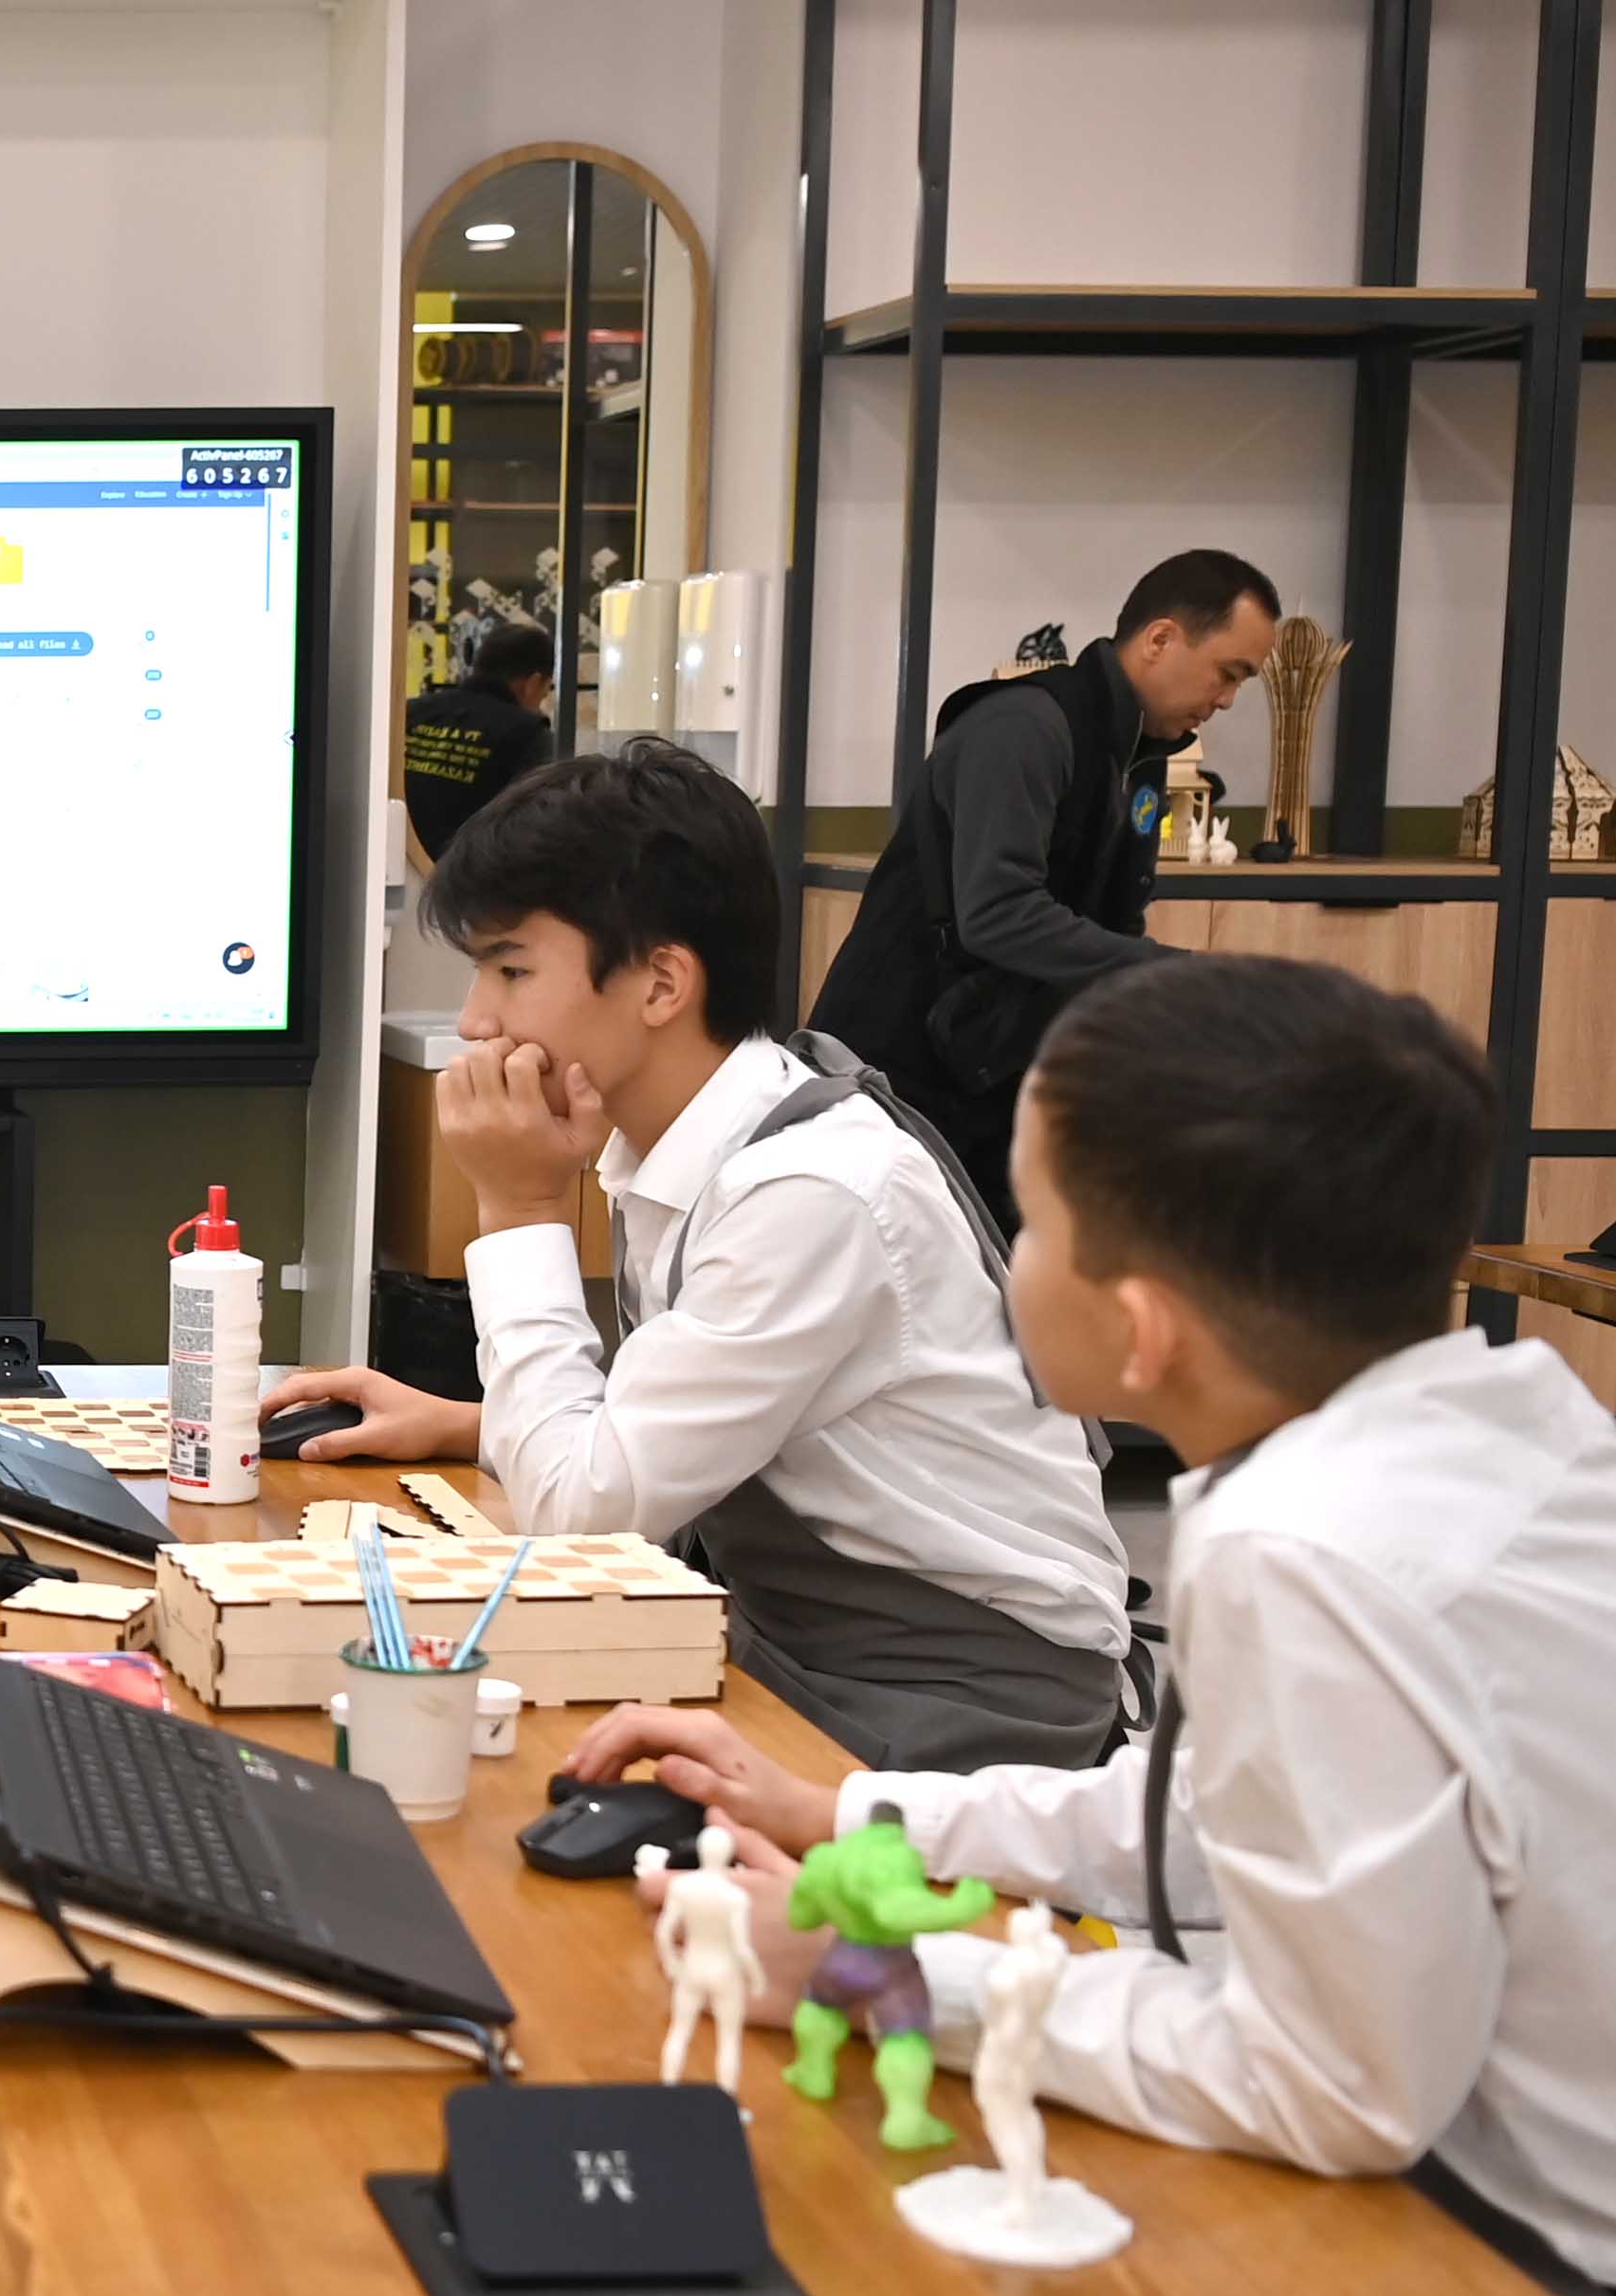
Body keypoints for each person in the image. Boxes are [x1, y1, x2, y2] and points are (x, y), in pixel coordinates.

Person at [576, 952, 1616, 2296]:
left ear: (1138, 1327)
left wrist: (864, 1963)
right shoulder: (1479, 1429)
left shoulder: (1308, 1548)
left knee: (904, 2221)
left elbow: (1328, 2089)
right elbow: (1206, 1807)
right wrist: (853, 1813)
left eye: (1029, 1221)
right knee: (1046, 2076)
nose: (1003, 1259)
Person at [269, 743, 1133, 1774]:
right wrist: (470, 1421)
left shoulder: (807, 1190)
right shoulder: (697, 1136)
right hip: (806, 1636)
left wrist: (517, 1208)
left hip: (960, 1697)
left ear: (661, 983)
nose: (473, 1020)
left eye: (510, 970)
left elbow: (581, 1516)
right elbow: (677, 1427)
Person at [807, 548, 1282, 1228]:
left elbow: (1114, 930)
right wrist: (1174, 971)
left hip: (997, 1074)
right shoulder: (1025, 728)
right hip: (896, 1076)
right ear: (1160, 638)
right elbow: (999, 913)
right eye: (1228, 672)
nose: (1229, 699)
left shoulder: (1140, 761)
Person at [401, 619, 557, 855]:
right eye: (545, 691)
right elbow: (531, 828)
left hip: (397, 861)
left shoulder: (411, 712)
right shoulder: (528, 734)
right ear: (533, 683)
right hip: (468, 872)